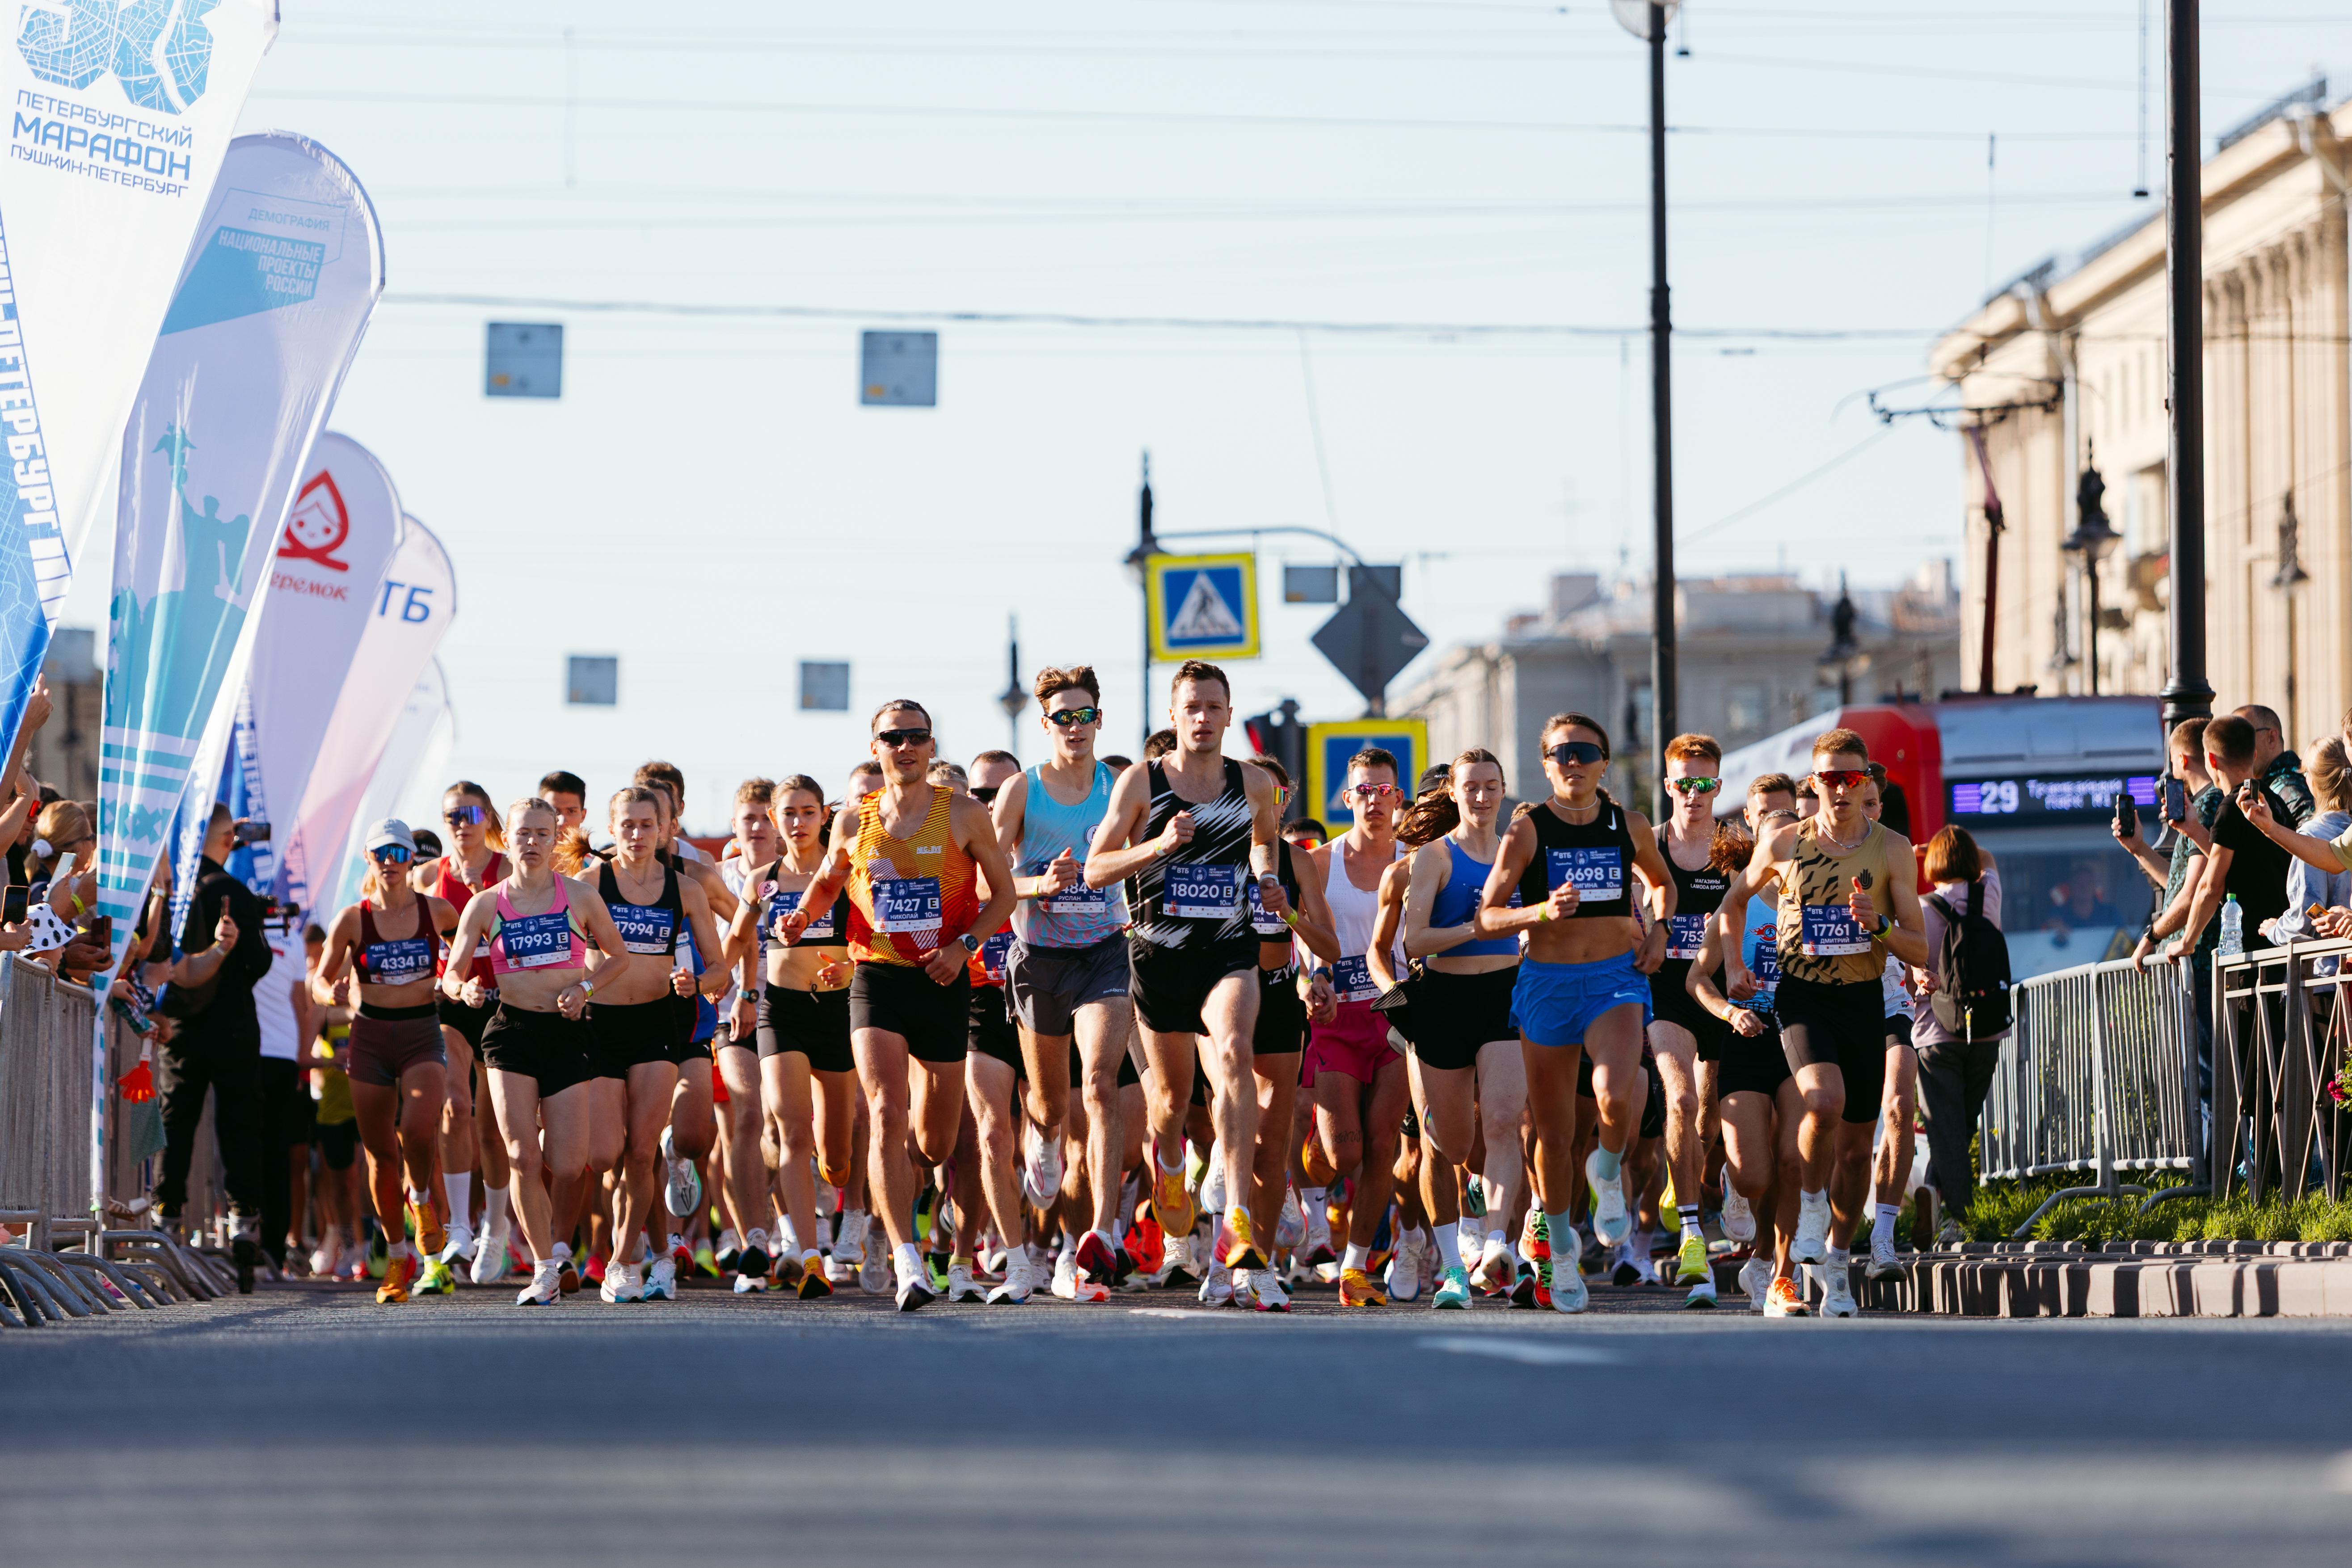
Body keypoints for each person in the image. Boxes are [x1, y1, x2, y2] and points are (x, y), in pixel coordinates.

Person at [774, 700, 1018, 1311]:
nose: (904, 747)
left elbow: (1004, 895)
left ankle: (917, 1203)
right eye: (892, 737)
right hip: (877, 975)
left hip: (943, 979)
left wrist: (963, 948)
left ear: (930, 746)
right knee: (883, 1109)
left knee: (933, 1143)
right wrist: (805, 911)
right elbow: (831, 877)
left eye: (915, 737)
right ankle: (908, 1261)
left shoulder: (961, 813)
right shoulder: (855, 821)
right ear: (875, 746)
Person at [1084, 662, 1286, 1302]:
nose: (1202, 717)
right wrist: (1158, 846)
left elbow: (1263, 846)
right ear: (1172, 717)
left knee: (1233, 1052)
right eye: (1191, 707)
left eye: (1213, 706)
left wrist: (1268, 878)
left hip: (1227, 949)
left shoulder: (1253, 782)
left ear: (1229, 715)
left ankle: (1234, 1214)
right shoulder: (1140, 783)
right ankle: (1169, 1159)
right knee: (1170, 1103)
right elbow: (1094, 870)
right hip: (1158, 956)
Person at [1716, 727, 1927, 1319]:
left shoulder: (1891, 850)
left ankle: (1837, 1268)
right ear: (1813, 784)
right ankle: (1810, 1205)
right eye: (1828, 779)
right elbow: (1734, 903)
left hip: (1863, 997)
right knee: (1822, 1101)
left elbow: (1918, 949)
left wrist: (1878, 924)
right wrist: (1733, 963)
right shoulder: (1785, 842)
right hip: (1801, 995)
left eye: (1850, 778)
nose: (1838, 789)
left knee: (1858, 1152)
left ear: (1866, 785)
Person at [1476, 712, 1674, 1315]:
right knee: (1554, 1133)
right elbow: (1487, 915)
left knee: (1617, 1094)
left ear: (1603, 763)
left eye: (1584, 751)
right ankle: (1561, 1250)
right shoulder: (1527, 830)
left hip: (1615, 978)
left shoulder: (1628, 823)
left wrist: (1659, 929)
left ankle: (1608, 1168)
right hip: (1545, 985)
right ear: (1545, 765)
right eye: (1560, 753)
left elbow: (1662, 885)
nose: (1573, 762)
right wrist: (1538, 912)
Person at [442, 798, 633, 1306]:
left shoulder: (580, 897)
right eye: (523, 833)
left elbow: (618, 956)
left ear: (556, 839)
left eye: (542, 834)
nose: (531, 842)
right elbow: (452, 972)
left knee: (568, 1163)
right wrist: (464, 991)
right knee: (522, 1156)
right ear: (507, 839)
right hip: (511, 1032)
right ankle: (546, 1267)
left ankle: (546, 1127)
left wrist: (587, 989)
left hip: (568, 1032)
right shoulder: (485, 904)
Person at [990, 667, 1136, 1300]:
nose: (1074, 728)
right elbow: (988, 880)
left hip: (1105, 952)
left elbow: (1142, 855)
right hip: (1040, 955)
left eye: (1084, 716)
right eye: (1062, 718)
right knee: (1051, 1107)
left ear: (1099, 720)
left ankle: (1100, 1232)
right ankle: (1042, 1138)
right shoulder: (1022, 790)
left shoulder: (1121, 786)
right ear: (1044, 725)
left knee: (1099, 1087)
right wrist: (1038, 884)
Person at [583, 784, 727, 1303]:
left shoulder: (686, 889)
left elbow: (720, 968)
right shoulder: (588, 884)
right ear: (611, 827)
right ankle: (657, 1252)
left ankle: (628, 1260)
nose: (638, 835)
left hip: (658, 1025)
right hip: (599, 1025)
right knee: (604, 1155)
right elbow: (564, 952)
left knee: (642, 1153)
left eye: (649, 825)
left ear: (667, 829)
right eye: (628, 825)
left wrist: (700, 983)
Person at [309, 820, 462, 1303]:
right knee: (380, 1157)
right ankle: (398, 1258)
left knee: (419, 1130)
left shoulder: (436, 910)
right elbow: (320, 978)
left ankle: (421, 1200)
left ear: (411, 857)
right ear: (369, 859)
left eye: (400, 852)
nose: (392, 862)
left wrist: (455, 979)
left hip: (421, 1031)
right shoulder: (354, 919)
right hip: (370, 1035)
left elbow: (472, 946)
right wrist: (327, 990)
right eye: (383, 854)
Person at [1398, 750, 1524, 1308]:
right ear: (1453, 791)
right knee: (1450, 1146)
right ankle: (1451, 1260)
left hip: (1506, 997)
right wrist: (1475, 929)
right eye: (1470, 787)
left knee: (1502, 1122)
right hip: (1444, 997)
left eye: (1490, 786)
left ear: (1503, 791)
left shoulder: (1516, 854)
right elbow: (1415, 942)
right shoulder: (1433, 858)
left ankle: (1494, 1245)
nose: (1480, 796)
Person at [1300, 747, 1409, 1308]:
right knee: (1344, 1155)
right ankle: (1312, 1169)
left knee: (1383, 1145)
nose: (1374, 801)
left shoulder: (1418, 860)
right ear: (1347, 799)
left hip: (1396, 1016)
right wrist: (1310, 982)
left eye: (1384, 790)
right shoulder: (1321, 863)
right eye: (1364, 791)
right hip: (1338, 1020)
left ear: (1399, 797)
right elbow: (1305, 943)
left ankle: (1354, 1265)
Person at [156, 802, 277, 1291]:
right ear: (223, 838)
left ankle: (167, 1218)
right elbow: (260, 960)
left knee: (175, 1121)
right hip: (232, 1027)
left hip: (181, 1024)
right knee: (240, 1124)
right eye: (231, 836)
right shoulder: (233, 891)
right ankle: (244, 1223)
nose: (234, 842)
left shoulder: (176, 890)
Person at [1640, 733, 1735, 1308]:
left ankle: (1704, 1187)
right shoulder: (1648, 847)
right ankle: (1695, 1237)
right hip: (1667, 995)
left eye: (1705, 784)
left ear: (1717, 787)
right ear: (1668, 785)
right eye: (1683, 783)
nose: (1693, 795)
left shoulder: (1736, 851)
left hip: (1724, 995)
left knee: (1709, 1119)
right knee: (1678, 1101)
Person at [422, 782, 512, 1284]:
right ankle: (458, 1224)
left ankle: (494, 1228)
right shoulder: (429, 877)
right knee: (455, 1105)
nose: (461, 822)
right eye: (451, 814)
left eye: (470, 812)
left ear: (487, 816)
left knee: (494, 1123)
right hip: (452, 1002)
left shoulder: (508, 871)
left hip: (503, 1003)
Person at [1910, 825, 2005, 1248]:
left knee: (1944, 1127)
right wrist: (1959, 847)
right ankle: (1935, 1190)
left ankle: (1959, 1218)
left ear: (1932, 865)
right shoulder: (1990, 897)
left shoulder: (1921, 909)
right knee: (1961, 1125)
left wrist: (1927, 851)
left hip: (1935, 1033)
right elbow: (1988, 861)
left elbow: (1910, 970)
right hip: (1986, 1031)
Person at [2166, 715, 2292, 962]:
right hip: (2281, 939)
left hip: (2251, 950)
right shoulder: (2273, 801)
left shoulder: (2230, 808)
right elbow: (2244, 858)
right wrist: (2194, 829)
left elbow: (2211, 887)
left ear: (2211, 759)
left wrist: (2186, 942)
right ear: (2254, 755)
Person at [2265, 737, 2352, 948]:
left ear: (2312, 782)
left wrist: (2274, 931)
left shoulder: (2309, 836)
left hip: (2325, 970)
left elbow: (2304, 914)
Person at [2236, 704, 2314, 827]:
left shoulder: (2287, 787)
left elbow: (2312, 835)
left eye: (2244, 737)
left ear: (2272, 738)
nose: (2235, 747)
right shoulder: (2269, 785)